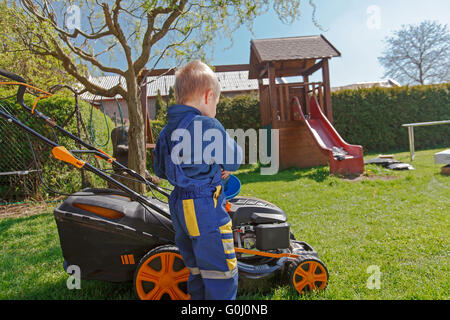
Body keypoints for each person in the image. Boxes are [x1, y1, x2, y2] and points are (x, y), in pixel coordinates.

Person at [153, 60, 243, 300]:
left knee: (196, 268)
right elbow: (234, 160)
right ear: (208, 96)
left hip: (179, 208)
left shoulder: (165, 131)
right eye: (216, 102)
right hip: (205, 208)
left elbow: (160, 169)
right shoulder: (208, 125)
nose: (216, 108)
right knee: (221, 271)